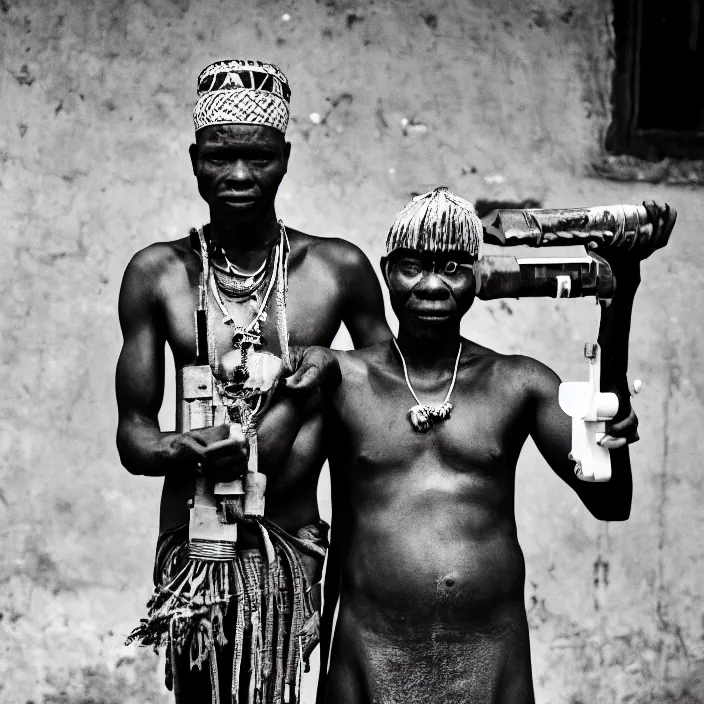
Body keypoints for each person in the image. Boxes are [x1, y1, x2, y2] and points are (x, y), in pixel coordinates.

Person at [308, 189, 675, 703]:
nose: (432, 285)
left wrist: (622, 295)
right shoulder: (343, 380)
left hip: (488, 660)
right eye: (412, 266)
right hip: (370, 656)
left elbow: (612, 501)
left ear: (478, 278)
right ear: (387, 271)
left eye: (454, 267)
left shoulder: (518, 383)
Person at [115, 59, 390, 703]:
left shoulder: (335, 269)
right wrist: (188, 447)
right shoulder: (158, 275)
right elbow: (133, 438)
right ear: (194, 159)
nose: (239, 176)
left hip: (298, 545)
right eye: (220, 156)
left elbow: (391, 403)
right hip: (198, 555)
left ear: (286, 157)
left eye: (260, 157)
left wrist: (333, 366)